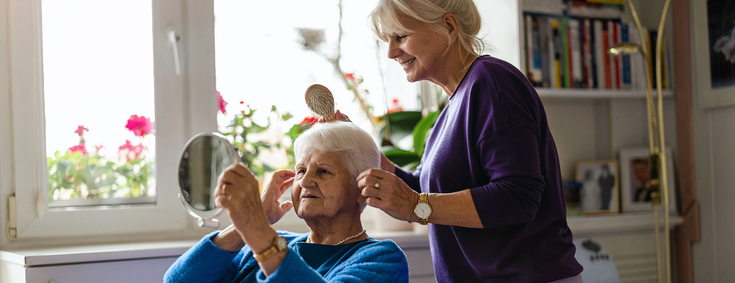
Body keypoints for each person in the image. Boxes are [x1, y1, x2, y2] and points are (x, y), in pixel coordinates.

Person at [347, 0, 584, 281]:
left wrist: (414, 205)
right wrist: (360, 150)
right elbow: (423, 190)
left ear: (449, 26)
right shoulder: (451, 107)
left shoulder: (492, 82)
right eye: (387, 40)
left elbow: (518, 197)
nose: (391, 52)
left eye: (401, 36)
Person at [164, 122, 409, 283]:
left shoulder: (381, 259)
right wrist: (245, 226)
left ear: (361, 188)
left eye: (323, 171)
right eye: (300, 171)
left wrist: (257, 229)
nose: (306, 182)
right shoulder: (260, 247)